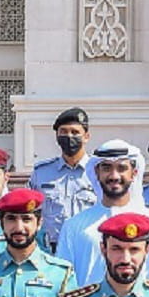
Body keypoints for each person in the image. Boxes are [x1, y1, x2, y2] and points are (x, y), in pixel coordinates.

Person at [58, 140, 149, 285]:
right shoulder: (74, 225)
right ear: (97, 172)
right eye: (107, 168)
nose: (114, 176)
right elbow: (65, 282)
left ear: (133, 173)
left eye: (121, 168)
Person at [29, 107, 99, 251]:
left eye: (75, 132)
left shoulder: (99, 171)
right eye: (63, 132)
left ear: (86, 137)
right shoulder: (41, 172)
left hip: (89, 248)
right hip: (51, 250)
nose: (69, 136)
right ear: (57, 136)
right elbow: (31, 211)